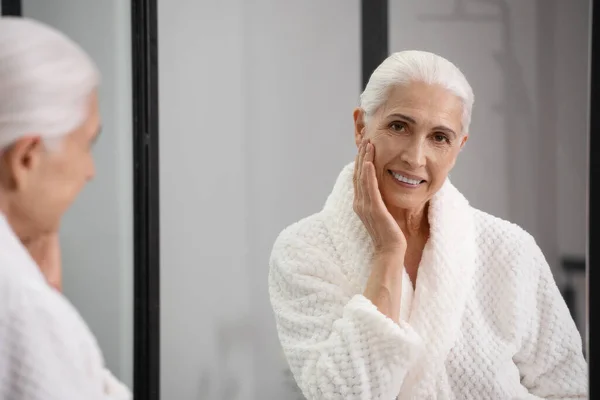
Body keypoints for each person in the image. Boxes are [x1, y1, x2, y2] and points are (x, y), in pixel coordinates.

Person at [268, 50, 587, 399]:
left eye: (439, 137)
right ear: (361, 128)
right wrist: (388, 252)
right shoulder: (303, 251)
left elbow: (569, 388)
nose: (415, 157)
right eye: (399, 126)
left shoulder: (510, 250)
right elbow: (345, 394)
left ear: (458, 147)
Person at [0, 17, 131, 399]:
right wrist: (44, 305)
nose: (90, 172)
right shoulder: (21, 306)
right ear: (26, 158)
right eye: (87, 144)